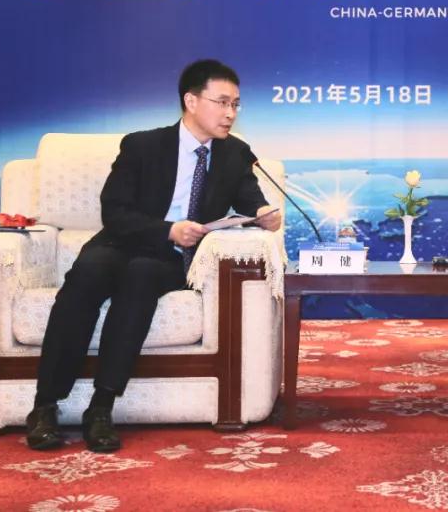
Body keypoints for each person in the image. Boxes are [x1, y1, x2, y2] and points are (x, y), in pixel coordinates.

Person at [25, 59, 281, 452]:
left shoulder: (235, 153)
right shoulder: (142, 145)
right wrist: (167, 230)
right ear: (191, 101)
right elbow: (114, 211)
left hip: (171, 257)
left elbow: (250, 200)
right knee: (86, 275)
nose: (230, 113)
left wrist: (263, 213)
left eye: (236, 104)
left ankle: (101, 407)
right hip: (122, 242)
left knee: (141, 276)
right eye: (222, 102)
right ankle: (44, 406)